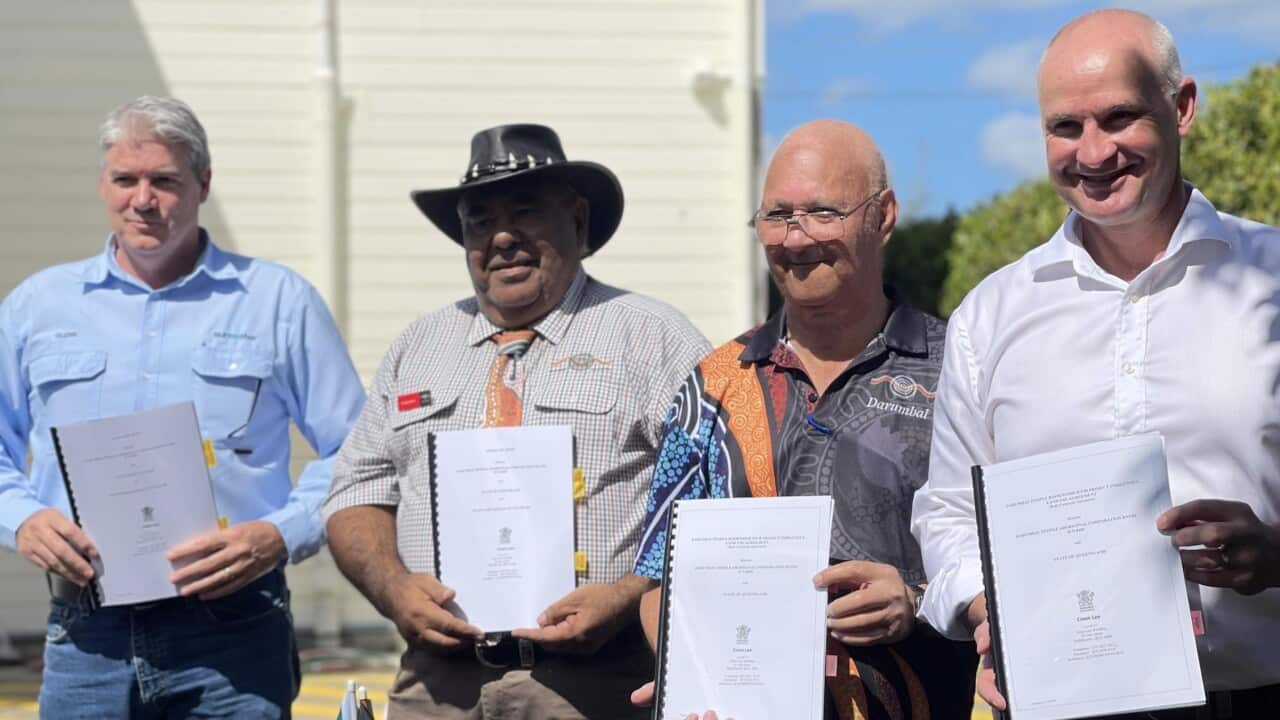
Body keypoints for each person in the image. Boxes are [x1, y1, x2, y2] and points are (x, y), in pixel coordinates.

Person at [912, 9, 1280, 718]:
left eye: (1118, 117)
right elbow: (950, 515)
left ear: (1183, 108)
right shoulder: (990, 317)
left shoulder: (1271, 281)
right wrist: (986, 610)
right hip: (1063, 703)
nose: (1093, 151)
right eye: (1065, 127)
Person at [322, 123, 710, 719]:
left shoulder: (652, 337)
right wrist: (396, 590)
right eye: (479, 221)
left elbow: (717, 491)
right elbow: (356, 492)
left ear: (578, 222)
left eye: (525, 212)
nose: (501, 237)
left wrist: (631, 596)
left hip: (598, 687)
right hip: (435, 688)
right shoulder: (417, 347)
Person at [0, 95, 365, 718]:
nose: (143, 199)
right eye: (125, 180)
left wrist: (280, 534)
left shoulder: (277, 302)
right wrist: (23, 519)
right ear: (103, 184)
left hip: (234, 632)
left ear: (203, 183)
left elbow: (360, 448)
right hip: (86, 635)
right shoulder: (39, 305)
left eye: (164, 180)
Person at [633, 119, 976, 720]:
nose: (794, 239)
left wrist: (917, 601)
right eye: (776, 216)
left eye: (821, 212)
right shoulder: (712, 386)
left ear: (884, 215)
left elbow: (1012, 553)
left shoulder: (959, 369)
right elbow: (660, 580)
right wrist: (692, 672)